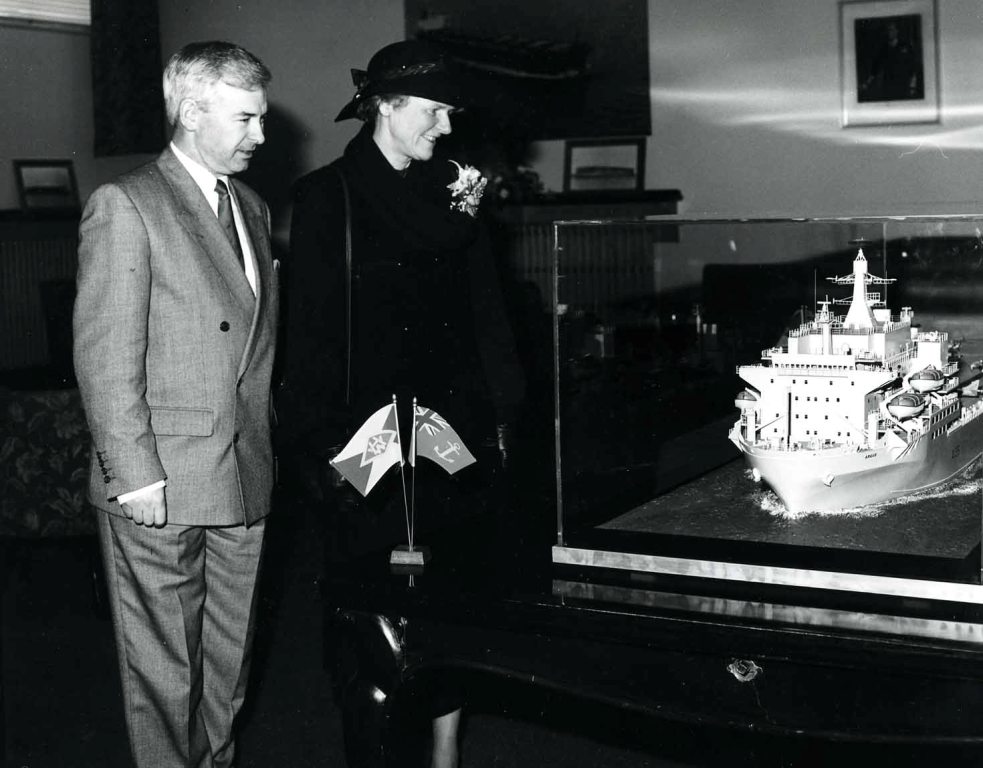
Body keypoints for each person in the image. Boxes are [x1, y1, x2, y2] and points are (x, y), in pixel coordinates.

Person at [281, 40, 525, 768]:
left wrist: (502, 416)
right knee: (368, 616)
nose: (445, 128)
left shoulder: (455, 194)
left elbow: (488, 315)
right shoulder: (329, 198)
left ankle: (446, 754)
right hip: (364, 437)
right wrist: (328, 454)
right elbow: (312, 333)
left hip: (451, 428)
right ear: (383, 106)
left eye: (451, 113)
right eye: (432, 110)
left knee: (452, 599)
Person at [73, 41, 278, 768]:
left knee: (228, 664)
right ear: (192, 112)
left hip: (242, 471)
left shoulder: (249, 207)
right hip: (159, 478)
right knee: (165, 672)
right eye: (245, 118)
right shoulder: (127, 203)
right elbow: (105, 354)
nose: (260, 135)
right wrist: (134, 474)